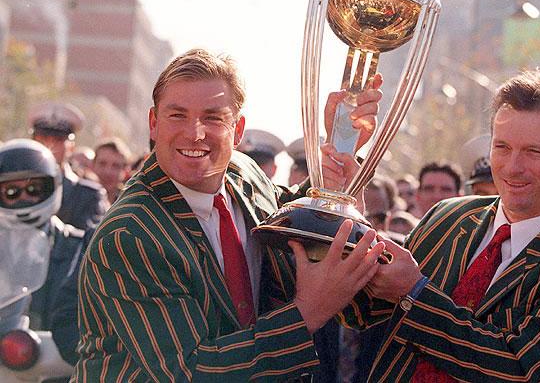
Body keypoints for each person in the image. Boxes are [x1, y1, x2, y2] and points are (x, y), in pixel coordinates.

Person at [71, 48, 385, 382]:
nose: (195, 133)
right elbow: (192, 372)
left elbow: (291, 225)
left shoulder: (243, 173)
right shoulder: (130, 235)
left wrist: (338, 157)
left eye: (213, 118)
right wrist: (308, 311)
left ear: (238, 130)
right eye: (177, 115)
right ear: (153, 123)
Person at [340, 70, 540, 381]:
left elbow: (521, 373)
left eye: (533, 151)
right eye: (502, 147)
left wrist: (414, 294)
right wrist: (342, 177)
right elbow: (360, 309)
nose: (513, 167)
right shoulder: (447, 218)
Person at [0, 139, 87, 381]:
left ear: (53, 187)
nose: (24, 199)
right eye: (11, 192)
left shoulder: (82, 246)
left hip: (64, 371)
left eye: (34, 189)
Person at [29, 101, 108, 229]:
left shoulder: (88, 195)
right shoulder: (14, 186)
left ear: (71, 147)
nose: (50, 146)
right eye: (43, 138)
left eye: (58, 140)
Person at [92, 137, 132, 204]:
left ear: (125, 170)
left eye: (115, 166)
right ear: (93, 165)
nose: (107, 172)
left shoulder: (130, 204)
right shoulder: (77, 201)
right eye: (102, 164)